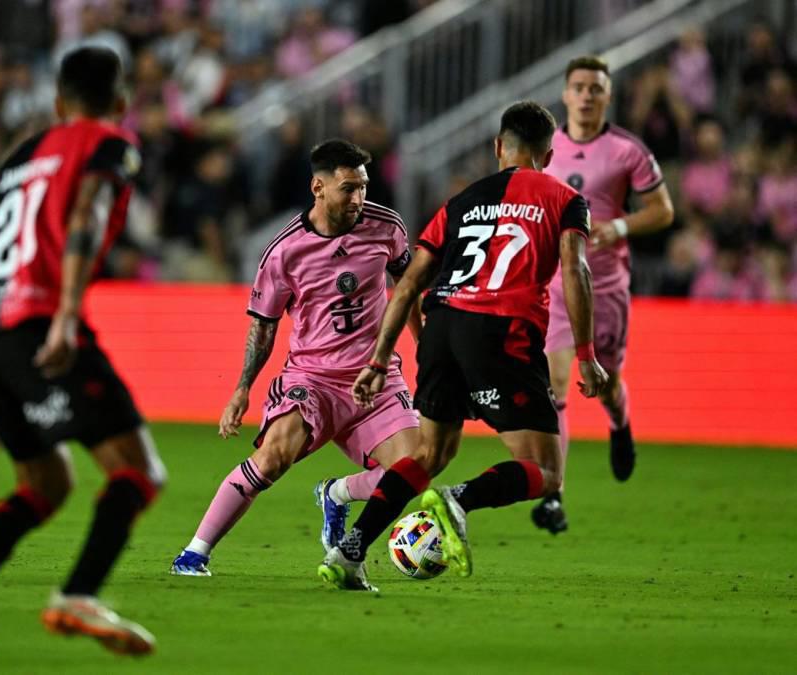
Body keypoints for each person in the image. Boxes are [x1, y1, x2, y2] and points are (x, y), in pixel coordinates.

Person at [0, 47, 166, 655]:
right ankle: (78, 595)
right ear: (121, 102)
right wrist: (67, 316)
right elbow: (86, 213)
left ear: (58, 103)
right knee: (138, 470)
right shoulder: (109, 144)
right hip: (40, 320)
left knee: (46, 482)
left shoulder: (15, 160)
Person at [318, 101, 608, 591]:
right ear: (549, 153)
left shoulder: (460, 202)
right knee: (545, 470)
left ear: (498, 147)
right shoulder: (563, 197)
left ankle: (349, 552)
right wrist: (586, 354)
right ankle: (461, 500)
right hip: (500, 330)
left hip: (442, 328)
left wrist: (379, 358)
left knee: (428, 453)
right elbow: (575, 270)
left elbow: (407, 284)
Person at [169, 139, 421, 576]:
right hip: (314, 379)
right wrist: (242, 389)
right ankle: (195, 552)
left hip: (376, 379)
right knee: (272, 458)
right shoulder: (285, 251)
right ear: (317, 187)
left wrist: (430, 352)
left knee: (415, 469)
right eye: (348, 188)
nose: (359, 198)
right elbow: (263, 327)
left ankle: (338, 494)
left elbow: (408, 291)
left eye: (363, 186)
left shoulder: (387, 226)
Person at [535, 56, 674, 534]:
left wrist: (618, 225)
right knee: (553, 383)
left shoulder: (626, 150)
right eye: (579, 87)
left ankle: (620, 423)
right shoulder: (545, 147)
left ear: (608, 96)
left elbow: (663, 211)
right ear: (566, 93)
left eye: (596, 88)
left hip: (606, 285)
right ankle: (554, 495)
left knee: (607, 383)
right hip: (554, 280)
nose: (587, 95)